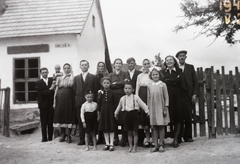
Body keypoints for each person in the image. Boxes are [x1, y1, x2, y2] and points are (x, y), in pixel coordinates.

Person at [114, 82, 149, 153]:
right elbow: (119, 106)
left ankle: (135, 147)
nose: (127, 90)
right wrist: (116, 113)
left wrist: (147, 111)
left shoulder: (136, 97)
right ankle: (130, 146)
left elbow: (142, 104)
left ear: (133, 90)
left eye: (129, 88)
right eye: (126, 88)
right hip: (126, 115)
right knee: (129, 132)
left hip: (134, 115)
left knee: (135, 132)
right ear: (124, 89)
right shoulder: (122, 98)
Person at [73, 60, 98, 145]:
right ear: (80, 66)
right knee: (81, 121)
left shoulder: (93, 77)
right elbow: (74, 90)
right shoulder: (76, 78)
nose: (84, 66)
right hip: (79, 102)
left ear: (88, 66)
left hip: (90, 103)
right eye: (82, 65)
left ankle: (91, 140)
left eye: (85, 65)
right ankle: (82, 139)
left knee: (90, 121)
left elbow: (95, 90)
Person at [176, 50, 198, 143]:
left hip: (188, 95)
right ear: (177, 58)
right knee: (178, 116)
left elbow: (195, 82)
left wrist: (194, 94)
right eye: (180, 56)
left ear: (186, 57)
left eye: (183, 56)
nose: (181, 57)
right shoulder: (174, 67)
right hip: (177, 96)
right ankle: (178, 137)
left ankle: (188, 136)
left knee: (188, 116)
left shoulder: (190, 67)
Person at [147, 68, 169, 152]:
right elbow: (148, 98)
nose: (155, 76)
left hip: (161, 107)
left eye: (156, 74)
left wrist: (165, 108)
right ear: (151, 76)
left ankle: (161, 144)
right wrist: (148, 109)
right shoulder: (149, 85)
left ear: (159, 75)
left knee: (161, 126)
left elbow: (166, 97)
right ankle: (155, 145)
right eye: (153, 74)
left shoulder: (163, 85)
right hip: (152, 108)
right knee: (154, 127)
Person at [53, 63, 75, 143]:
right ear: (63, 69)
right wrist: (54, 101)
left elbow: (74, 87)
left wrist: (72, 75)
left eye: (68, 68)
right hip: (60, 98)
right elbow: (56, 89)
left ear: (70, 69)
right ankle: (62, 134)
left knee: (69, 114)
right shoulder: (59, 78)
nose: (66, 70)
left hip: (69, 98)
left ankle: (69, 135)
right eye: (65, 68)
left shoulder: (73, 77)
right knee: (61, 115)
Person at [109, 58, 129, 147]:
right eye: (116, 63)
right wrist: (120, 83)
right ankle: (115, 138)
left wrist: (115, 84)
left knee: (123, 117)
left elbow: (126, 84)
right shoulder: (110, 75)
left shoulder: (125, 74)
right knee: (114, 117)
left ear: (122, 65)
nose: (118, 65)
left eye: (120, 63)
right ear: (114, 64)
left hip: (122, 97)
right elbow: (109, 85)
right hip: (112, 98)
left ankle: (123, 138)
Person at [163, 55, 182, 148]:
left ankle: (175, 139)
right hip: (166, 97)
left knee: (177, 118)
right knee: (168, 118)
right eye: (167, 60)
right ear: (165, 62)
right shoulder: (163, 72)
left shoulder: (179, 71)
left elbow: (179, 80)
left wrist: (168, 80)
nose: (169, 62)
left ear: (174, 61)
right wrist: (173, 81)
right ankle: (166, 138)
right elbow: (163, 81)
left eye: (171, 60)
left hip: (177, 97)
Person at [126, 57, 144, 146]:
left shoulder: (139, 74)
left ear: (135, 64)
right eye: (128, 63)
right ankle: (128, 140)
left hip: (137, 97)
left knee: (138, 119)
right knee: (128, 120)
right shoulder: (125, 74)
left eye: (132, 63)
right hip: (128, 99)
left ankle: (140, 140)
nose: (130, 64)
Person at [135, 59, 152, 147]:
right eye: (144, 64)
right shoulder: (140, 76)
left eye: (148, 63)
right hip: (142, 96)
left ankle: (153, 139)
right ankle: (146, 139)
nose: (146, 65)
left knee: (151, 119)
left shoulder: (153, 74)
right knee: (144, 120)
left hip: (151, 95)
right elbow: (137, 88)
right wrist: (137, 100)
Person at [36, 67, 55, 142]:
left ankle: (50, 137)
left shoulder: (51, 80)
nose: (44, 74)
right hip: (43, 105)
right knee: (43, 122)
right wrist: (50, 89)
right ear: (41, 74)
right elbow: (41, 93)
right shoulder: (38, 83)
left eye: (46, 72)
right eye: (43, 72)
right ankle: (44, 138)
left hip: (51, 104)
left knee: (50, 121)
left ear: (48, 73)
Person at [98, 77, 117, 151]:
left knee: (111, 127)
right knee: (105, 128)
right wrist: (98, 112)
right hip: (103, 112)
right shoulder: (100, 93)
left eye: (108, 83)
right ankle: (107, 143)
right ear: (102, 84)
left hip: (110, 111)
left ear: (110, 84)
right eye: (104, 83)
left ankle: (111, 143)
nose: (106, 84)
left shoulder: (112, 92)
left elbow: (115, 103)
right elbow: (98, 103)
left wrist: (115, 112)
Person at [95, 61, 109, 144]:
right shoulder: (95, 76)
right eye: (99, 66)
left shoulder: (107, 75)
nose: (101, 67)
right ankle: (99, 137)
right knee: (98, 117)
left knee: (105, 117)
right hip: (97, 97)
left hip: (105, 97)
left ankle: (105, 138)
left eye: (102, 66)